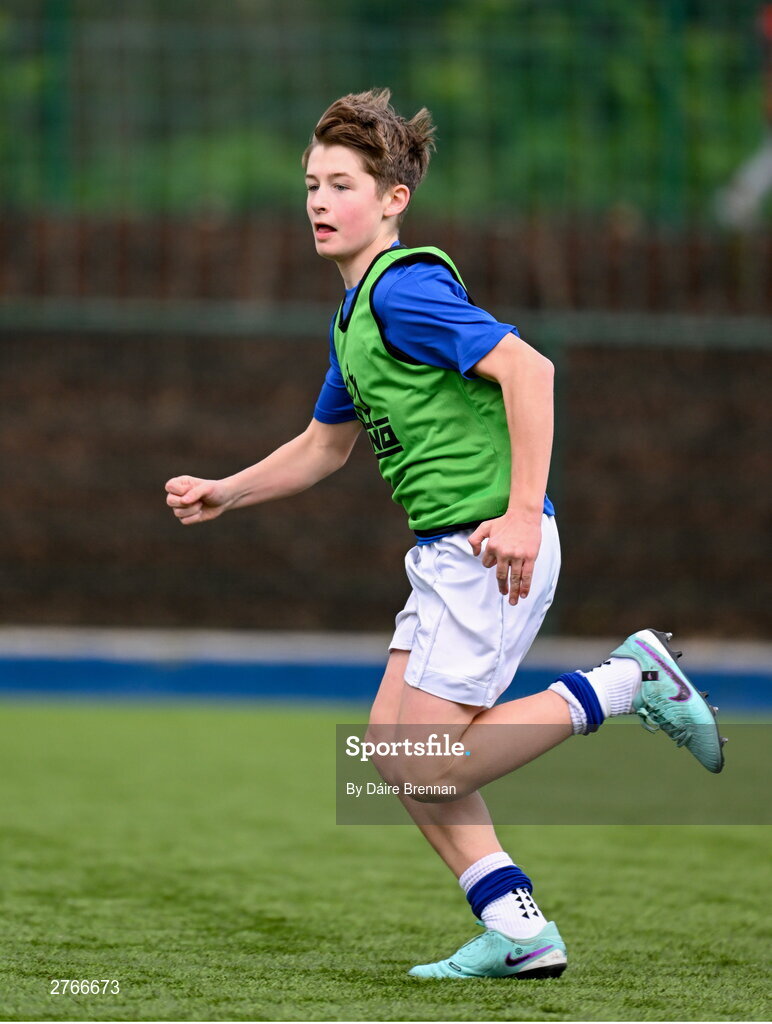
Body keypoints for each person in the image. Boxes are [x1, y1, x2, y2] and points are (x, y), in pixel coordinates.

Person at [165, 88, 725, 980]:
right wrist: (227, 492)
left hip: (489, 548)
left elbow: (529, 371)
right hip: (445, 557)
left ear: (393, 200)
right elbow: (324, 446)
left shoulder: (405, 290)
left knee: (426, 764)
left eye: (341, 184)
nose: (318, 200)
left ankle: (627, 682)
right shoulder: (354, 319)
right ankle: (519, 929)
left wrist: (520, 515)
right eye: (310, 183)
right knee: (392, 748)